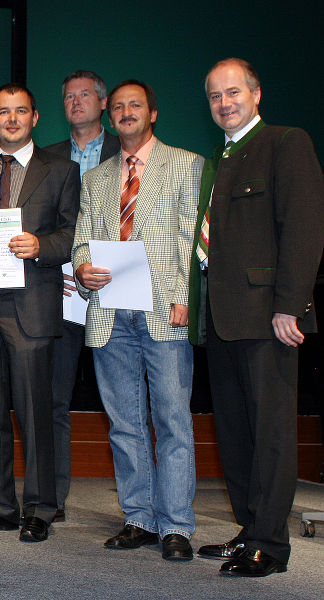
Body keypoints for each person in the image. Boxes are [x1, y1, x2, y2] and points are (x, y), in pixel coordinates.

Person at [189, 58, 324, 577]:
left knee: (270, 432)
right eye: (215, 96)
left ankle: (272, 542)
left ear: (256, 94)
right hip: (224, 320)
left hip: (270, 317)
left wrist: (291, 304)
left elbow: (305, 228)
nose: (224, 103)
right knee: (236, 431)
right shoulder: (222, 158)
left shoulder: (286, 144)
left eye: (233, 93)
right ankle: (249, 528)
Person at [73, 79, 202, 561]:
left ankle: (176, 526)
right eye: (120, 107)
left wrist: (188, 296)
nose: (127, 112)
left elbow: (196, 240)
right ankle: (140, 517)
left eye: (137, 106)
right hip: (110, 313)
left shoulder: (186, 166)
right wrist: (84, 268)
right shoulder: (97, 178)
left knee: (172, 421)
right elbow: (82, 240)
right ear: (111, 116)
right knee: (124, 425)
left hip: (166, 311)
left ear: (153, 113)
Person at [0, 84, 79, 543]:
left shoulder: (61, 170)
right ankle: (3, 506)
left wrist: (42, 246)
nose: (11, 119)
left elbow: (72, 232)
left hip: (31, 302)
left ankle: (41, 507)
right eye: (3, 112)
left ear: (35, 117)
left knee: (35, 411)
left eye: (20, 111)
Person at [43, 70, 120, 521]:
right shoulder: (49, 158)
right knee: (54, 399)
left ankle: (144, 509)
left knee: (124, 403)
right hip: (62, 291)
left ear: (103, 102)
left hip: (116, 291)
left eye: (85, 95)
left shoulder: (125, 151)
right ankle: (51, 498)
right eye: (68, 96)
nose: (76, 102)